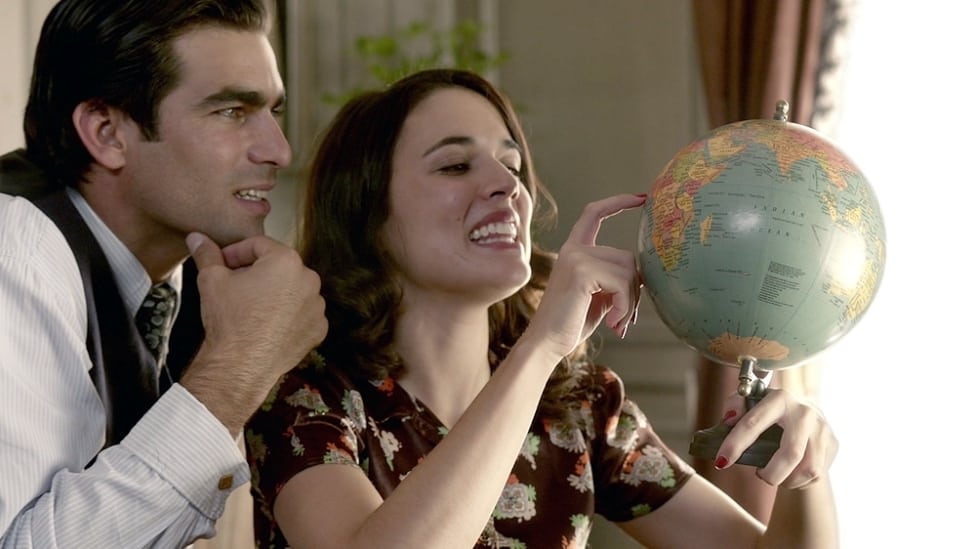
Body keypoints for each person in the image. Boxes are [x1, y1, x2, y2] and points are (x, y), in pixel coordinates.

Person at [245, 68, 840, 549]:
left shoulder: (580, 407)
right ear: (365, 214)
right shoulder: (304, 400)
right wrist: (542, 346)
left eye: (512, 166)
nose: (508, 187)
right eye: (455, 165)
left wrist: (803, 473)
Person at [0, 0, 327, 547]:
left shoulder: (199, 281)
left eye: (273, 111)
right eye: (232, 111)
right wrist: (236, 369)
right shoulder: (17, 253)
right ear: (107, 132)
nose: (280, 150)